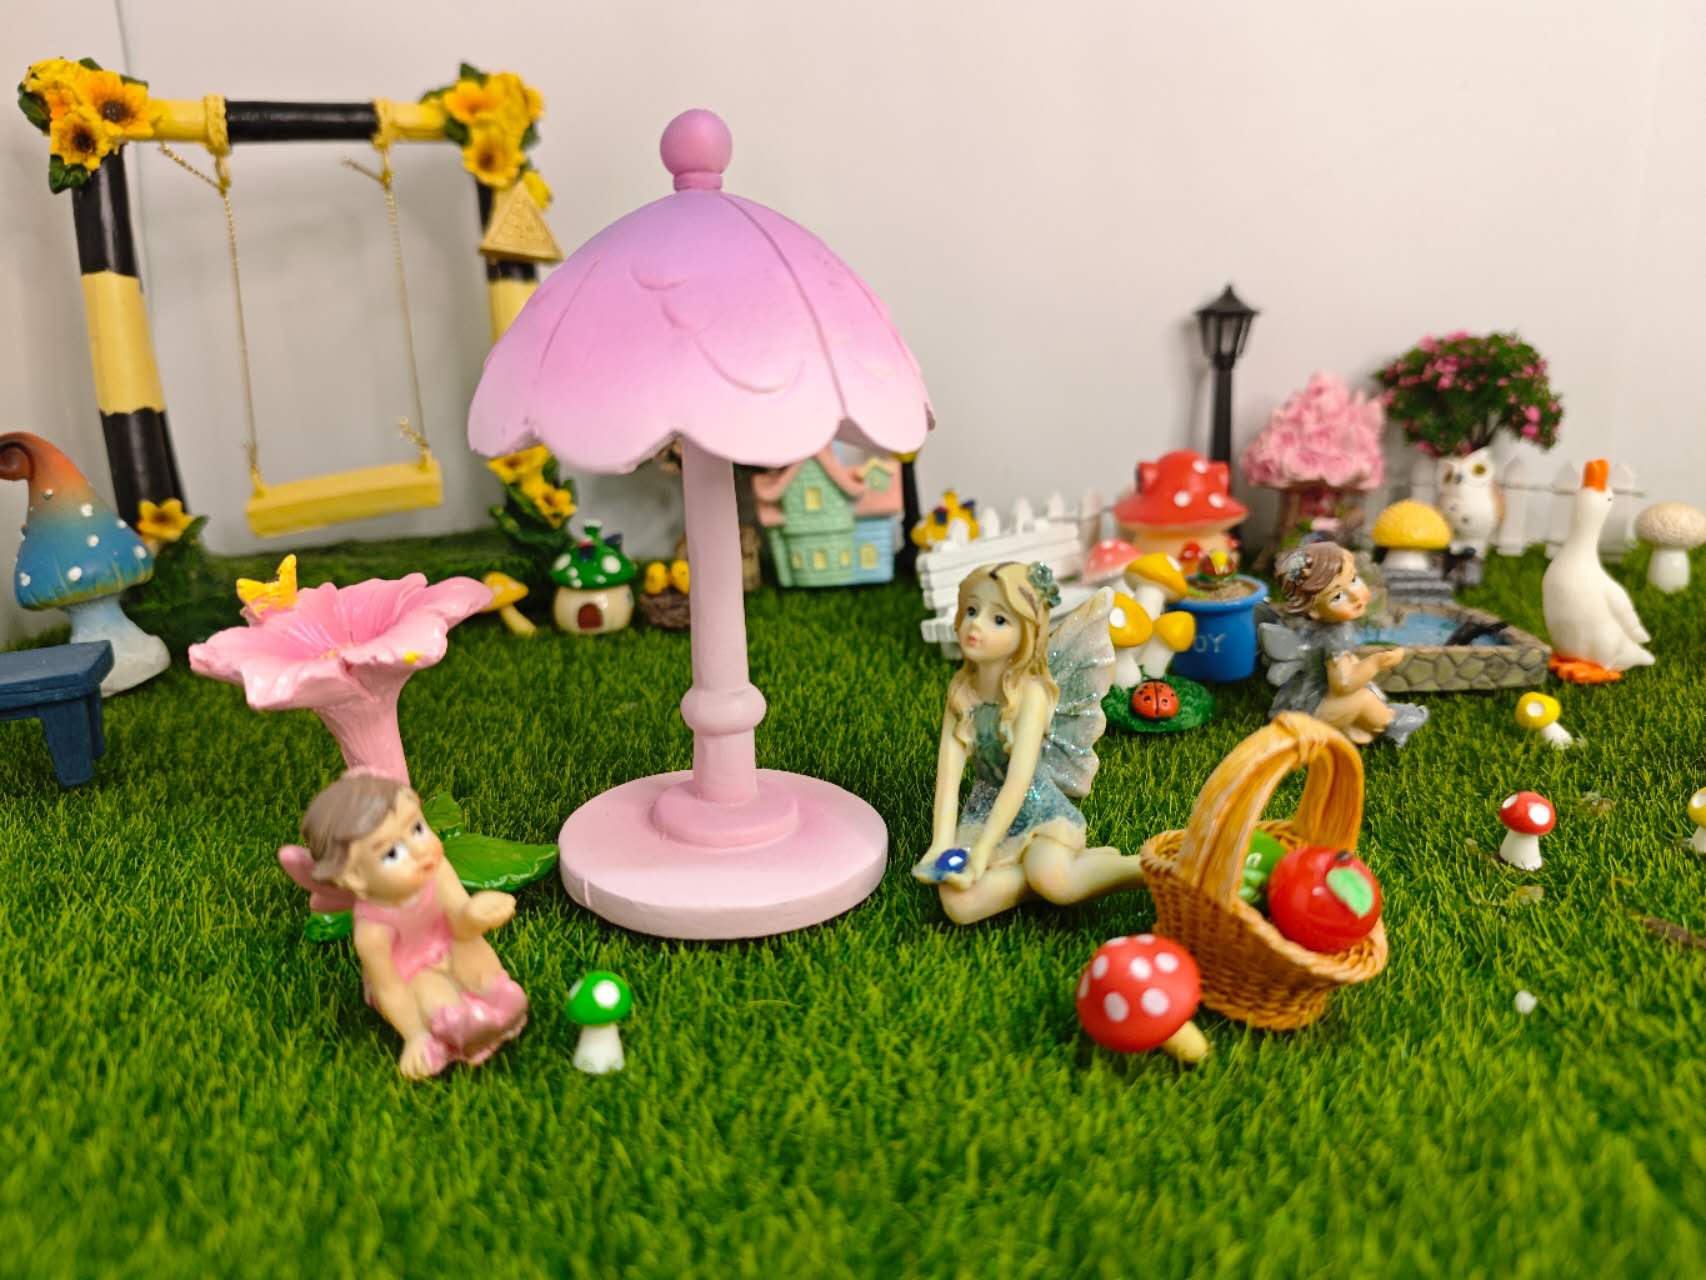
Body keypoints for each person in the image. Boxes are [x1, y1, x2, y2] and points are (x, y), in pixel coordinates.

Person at [913, 561, 1144, 924]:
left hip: (1038, 810)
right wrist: (940, 844)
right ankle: (1072, 869)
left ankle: (1136, 868)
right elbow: (949, 779)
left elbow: (1017, 783)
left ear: (1026, 632)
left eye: (998, 619)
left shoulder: (1031, 695)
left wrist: (982, 853)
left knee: (1056, 883)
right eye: (972, 611)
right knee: (960, 906)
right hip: (983, 812)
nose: (976, 625)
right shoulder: (961, 691)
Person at [284, 772, 528, 1078]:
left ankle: (493, 991)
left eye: (417, 829)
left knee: (470, 948)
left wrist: (473, 914)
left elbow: (459, 918)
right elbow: (390, 988)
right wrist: (414, 1034)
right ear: (355, 878)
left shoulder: (436, 869)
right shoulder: (372, 930)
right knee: (429, 989)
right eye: (392, 853)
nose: (419, 850)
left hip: (446, 942)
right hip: (409, 972)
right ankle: (454, 1024)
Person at [1259, 542, 1428, 747]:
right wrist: (1376, 663)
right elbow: (1343, 685)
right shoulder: (1334, 637)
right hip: (1311, 709)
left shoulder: (1326, 626)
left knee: (1367, 689)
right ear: (1314, 611)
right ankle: (1392, 725)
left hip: (1309, 699)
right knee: (1363, 698)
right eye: (1338, 596)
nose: (1355, 596)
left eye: (1354, 579)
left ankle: (1372, 721)